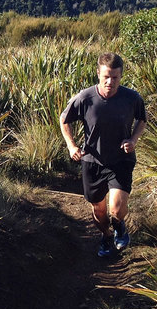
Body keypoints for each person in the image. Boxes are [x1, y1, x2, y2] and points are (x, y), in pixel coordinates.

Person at [59, 52, 147, 257]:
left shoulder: (132, 98)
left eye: (115, 77)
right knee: (98, 211)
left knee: (116, 209)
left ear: (121, 76)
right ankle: (106, 236)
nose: (110, 81)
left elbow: (142, 120)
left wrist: (132, 140)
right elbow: (64, 119)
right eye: (106, 76)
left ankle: (119, 225)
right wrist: (71, 146)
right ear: (98, 73)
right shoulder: (85, 98)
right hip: (92, 161)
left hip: (120, 160)